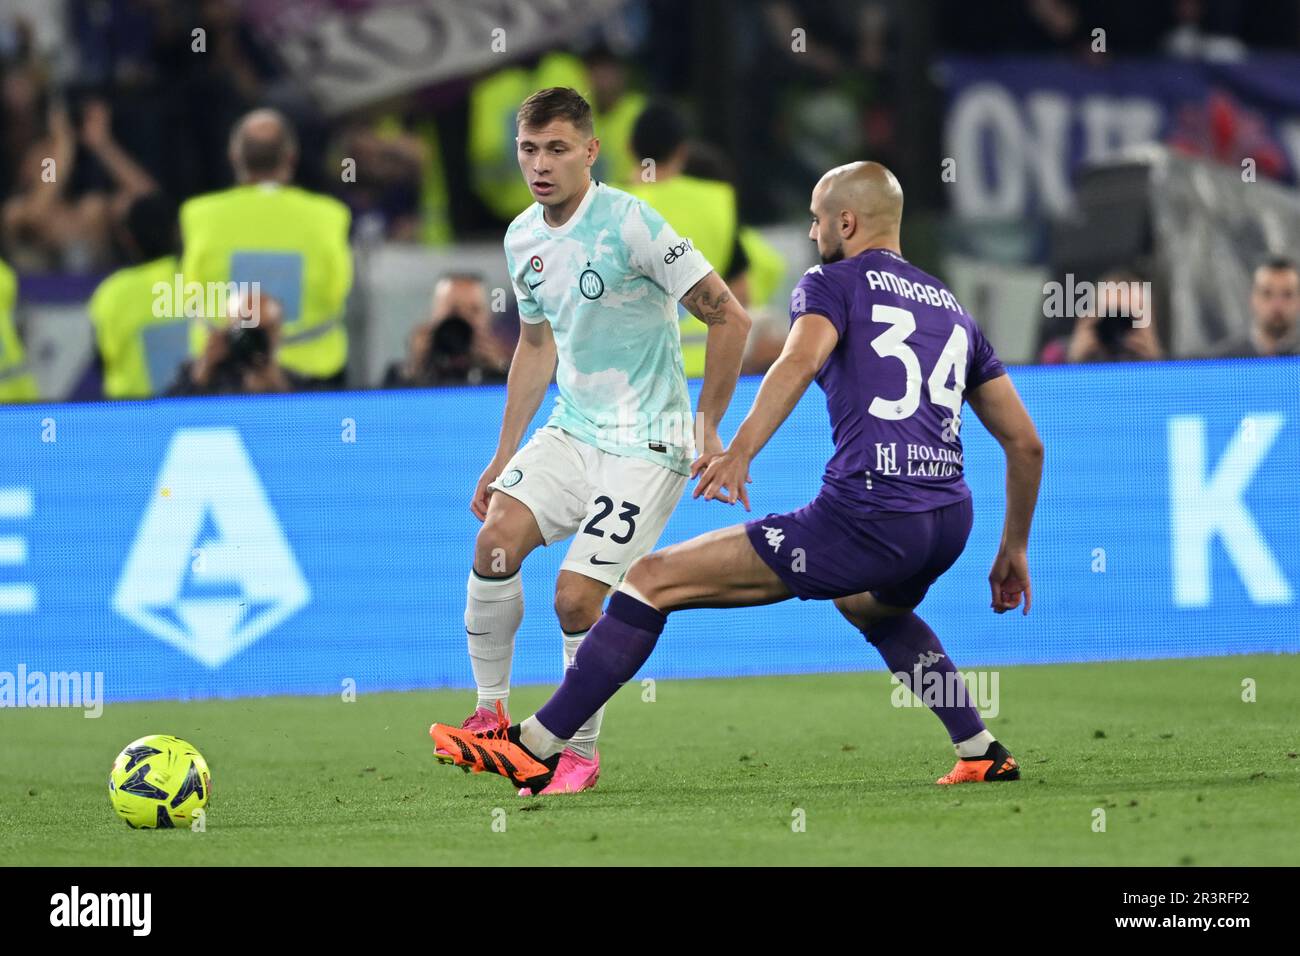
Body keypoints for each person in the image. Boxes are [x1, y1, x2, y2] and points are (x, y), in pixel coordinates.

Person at [432, 161, 1044, 794]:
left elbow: (800, 359)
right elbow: (1025, 444)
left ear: (847, 222)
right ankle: (980, 748)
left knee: (648, 581)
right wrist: (1014, 547)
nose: (810, 232)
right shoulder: (951, 308)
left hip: (869, 511)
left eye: (815, 218)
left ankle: (536, 743)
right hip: (949, 519)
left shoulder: (831, 282)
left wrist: (738, 449)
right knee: (869, 605)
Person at [432, 87, 751, 795]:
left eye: (556, 149)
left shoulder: (632, 223)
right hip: (573, 428)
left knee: (576, 600)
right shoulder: (522, 239)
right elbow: (536, 348)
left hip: (648, 442)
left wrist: (708, 424)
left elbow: (729, 317)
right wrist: (504, 454)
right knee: (492, 543)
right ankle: (490, 716)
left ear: (590, 151)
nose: (540, 165)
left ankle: (576, 752)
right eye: (528, 150)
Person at [180, 108, 352, 389]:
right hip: (312, 373)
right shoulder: (331, 215)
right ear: (290, 158)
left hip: (223, 370)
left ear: (234, 157)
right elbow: (338, 291)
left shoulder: (197, 215)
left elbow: (189, 292)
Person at [88, 192, 185, 398]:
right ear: (176, 232)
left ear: (128, 238)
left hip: (130, 416)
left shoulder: (110, 293)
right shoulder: (196, 281)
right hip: (193, 409)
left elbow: (101, 361)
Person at [383, 274, 508, 388]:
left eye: (474, 310)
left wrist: (499, 369)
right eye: (454, 310)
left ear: (487, 317)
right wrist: (416, 368)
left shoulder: (503, 372)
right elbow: (390, 408)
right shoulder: (401, 374)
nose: (464, 319)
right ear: (433, 317)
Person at [166, 290, 290, 397]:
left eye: (260, 334)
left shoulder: (289, 382)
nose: (252, 342)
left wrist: (278, 387)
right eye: (246, 330)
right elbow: (164, 414)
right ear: (227, 327)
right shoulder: (199, 374)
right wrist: (202, 374)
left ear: (277, 334)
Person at [1201, 256, 1300, 358]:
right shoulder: (1221, 362)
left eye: (1287, 294)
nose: (1277, 304)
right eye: (1267, 293)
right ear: (1253, 298)